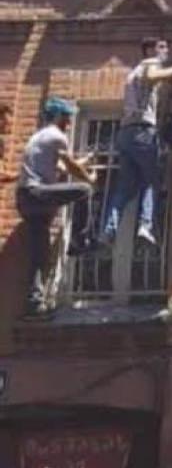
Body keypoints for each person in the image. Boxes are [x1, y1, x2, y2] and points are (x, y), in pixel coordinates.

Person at [16, 98, 96, 319]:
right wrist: (89, 178)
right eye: (67, 118)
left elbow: (62, 167)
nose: (69, 123)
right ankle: (79, 242)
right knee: (84, 190)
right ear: (58, 116)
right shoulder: (56, 135)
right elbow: (70, 166)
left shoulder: (39, 137)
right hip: (36, 193)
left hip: (26, 200)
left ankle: (34, 306)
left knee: (39, 253)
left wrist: (85, 161)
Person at [102, 37, 172, 249]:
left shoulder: (132, 73)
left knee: (125, 187)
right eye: (161, 47)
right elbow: (152, 76)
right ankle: (145, 226)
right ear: (149, 50)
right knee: (152, 179)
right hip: (142, 131)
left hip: (125, 133)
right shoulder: (150, 63)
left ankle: (108, 230)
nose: (166, 51)